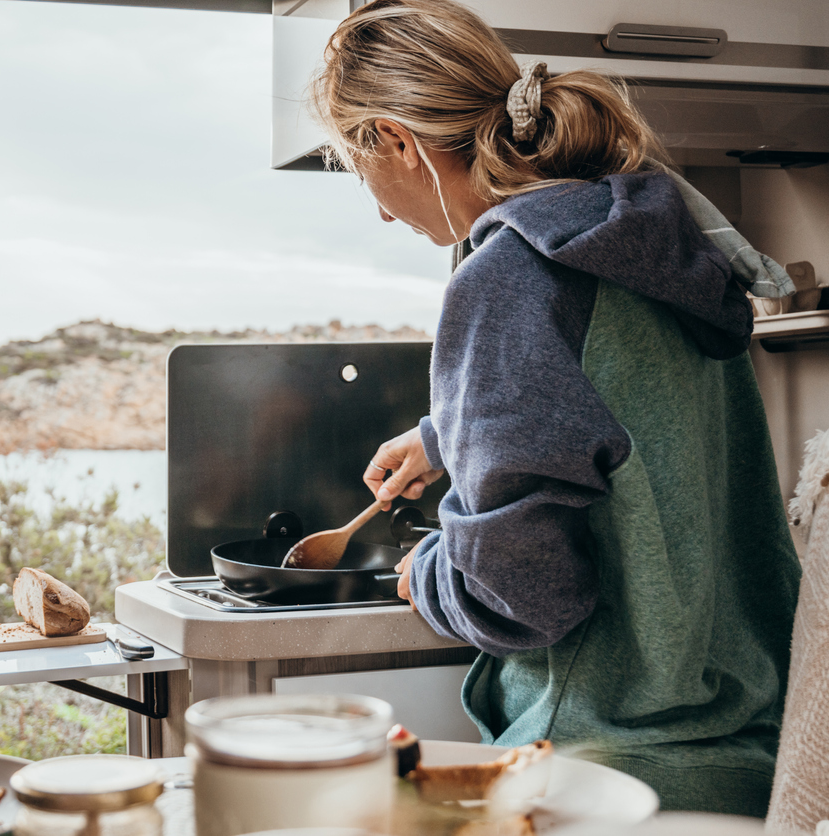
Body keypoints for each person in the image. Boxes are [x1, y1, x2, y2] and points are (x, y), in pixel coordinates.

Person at [312, 0, 802, 818]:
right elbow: (637, 414)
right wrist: (447, 435)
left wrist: (431, 572)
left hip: (606, 770)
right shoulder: (649, 242)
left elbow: (524, 596)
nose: (382, 210)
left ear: (396, 140)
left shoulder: (509, 277)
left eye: (361, 171)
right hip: (750, 750)